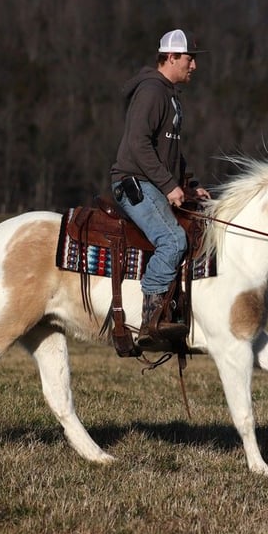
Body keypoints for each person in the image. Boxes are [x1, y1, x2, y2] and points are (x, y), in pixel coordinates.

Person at [110, 29, 211, 349]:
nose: (193, 66)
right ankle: (150, 322)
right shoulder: (153, 92)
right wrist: (169, 186)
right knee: (172, 239)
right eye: (189, 59)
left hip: (152, 181)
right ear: (170, 57)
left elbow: (170, 151)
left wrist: (190, 184)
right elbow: (139, 145)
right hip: (134, 182)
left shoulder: (168, 94)